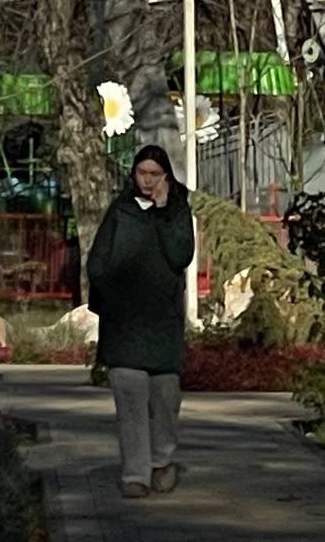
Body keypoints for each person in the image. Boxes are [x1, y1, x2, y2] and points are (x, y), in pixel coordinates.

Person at [86, 142, 195, 499]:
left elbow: (181, 255)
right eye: (141, 173)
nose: (147, 181)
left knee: (166, 397)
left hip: (162, 322)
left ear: (165, 176)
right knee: (130, 395)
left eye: (154, 174)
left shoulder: (177, 211)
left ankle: (162, 461)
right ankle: (135, 473)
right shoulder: (121, 210)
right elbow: (98, 259)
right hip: (125, 323)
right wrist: (108, 297)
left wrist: (163, 211)